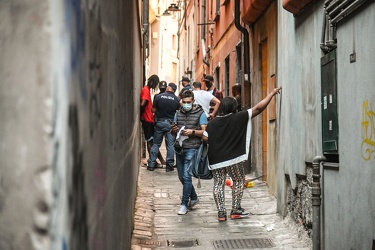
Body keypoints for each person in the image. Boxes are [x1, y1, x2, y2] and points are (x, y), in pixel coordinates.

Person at [202, 86, 282, 222]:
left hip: (216, 159)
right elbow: (258, 108)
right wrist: (272, 94)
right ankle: (235, 209)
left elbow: (205, 137)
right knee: (238, 180)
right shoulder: (239, 117)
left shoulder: (213, 123)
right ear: (234, 107)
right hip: (234, 158)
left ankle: (221, 213)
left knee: (218, 183)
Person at [171, 90, 208, 215]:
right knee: (181, 177)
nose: (186, 104)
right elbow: (173, 131)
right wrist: (174, 129)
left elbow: (204, 132)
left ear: (193, 101)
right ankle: (194, 197)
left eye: (189, 102)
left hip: (193, 147)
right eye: (184, 102)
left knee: (187, 176)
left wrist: (192, 132)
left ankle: (184, 204)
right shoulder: (177, 113)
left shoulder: (200, 113)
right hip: (180, 147)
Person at [147, 83, 180, 172]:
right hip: (171, 124)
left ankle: (151, 164)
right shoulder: (177, 99)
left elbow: (153, 110)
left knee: (156, 144)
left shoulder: (158, 97)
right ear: (174, 90)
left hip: (160, 123)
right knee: (170, 145)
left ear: (168, 88)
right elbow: (179, 112)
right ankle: (169, 166)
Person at [140, 74, 166, 167]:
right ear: (151, 82)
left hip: (148, 119)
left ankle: (158, 160)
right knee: (151, 141)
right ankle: (154, 162)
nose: (155, 86)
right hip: (147, 120)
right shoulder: (146, 90)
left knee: (152, 141)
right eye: (155, 84)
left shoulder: (146, 90)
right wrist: (141, 115)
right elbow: (143, 104)